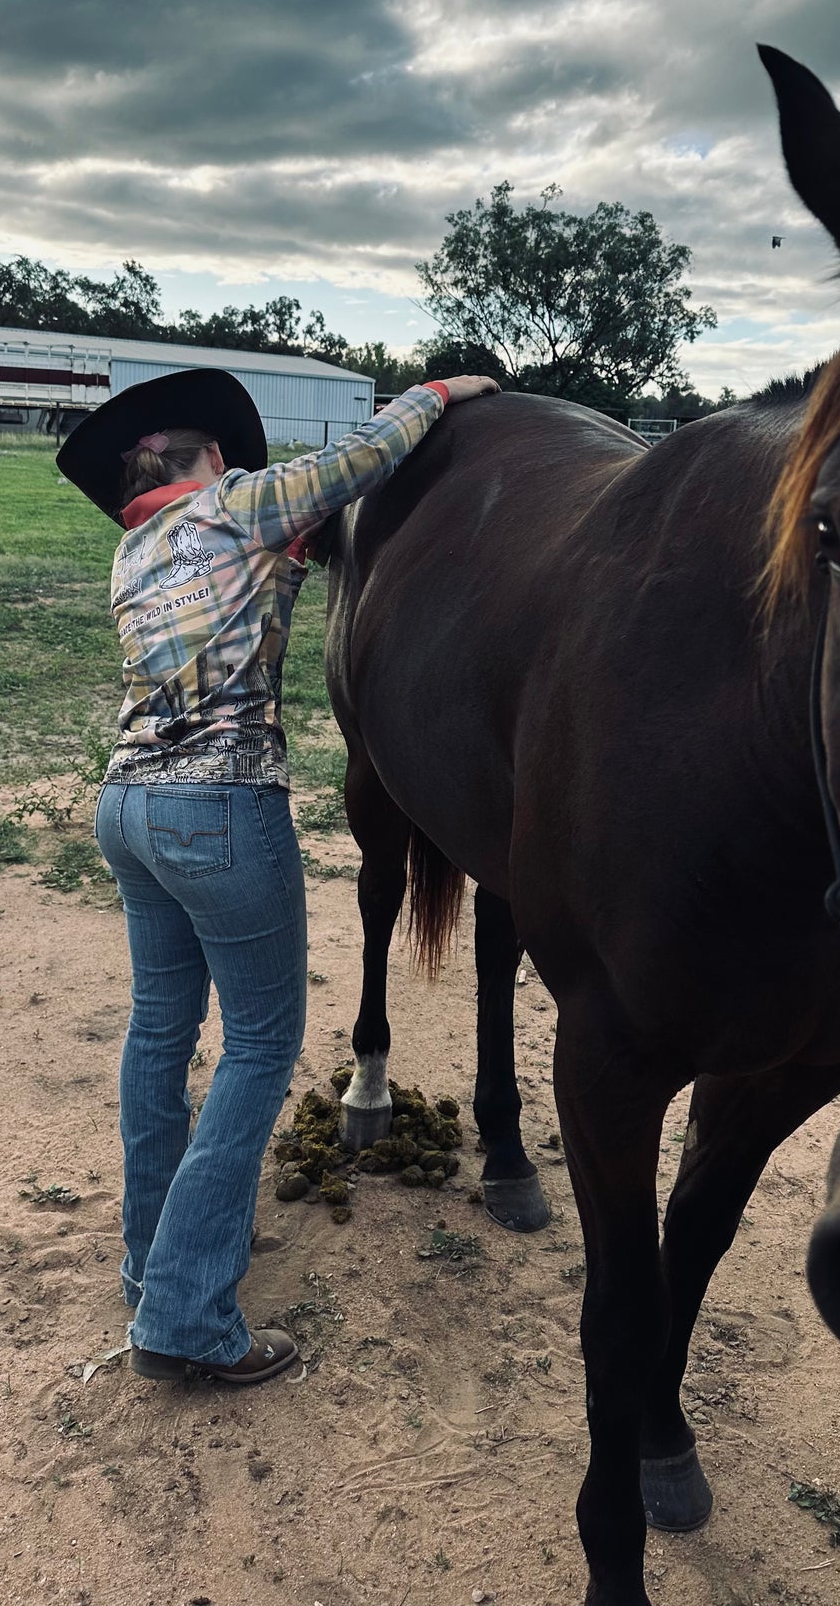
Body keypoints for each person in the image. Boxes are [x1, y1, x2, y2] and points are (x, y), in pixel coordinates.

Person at [55, 368, 499, 1384]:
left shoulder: (133, 548)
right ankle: (183, 1320)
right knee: (259, 1045)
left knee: (159, 1034)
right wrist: (437, 391)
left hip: (125, 804)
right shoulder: (235, 505)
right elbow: (355, 464)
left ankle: (147, 1261)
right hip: (218, 804)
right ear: (209, 454)